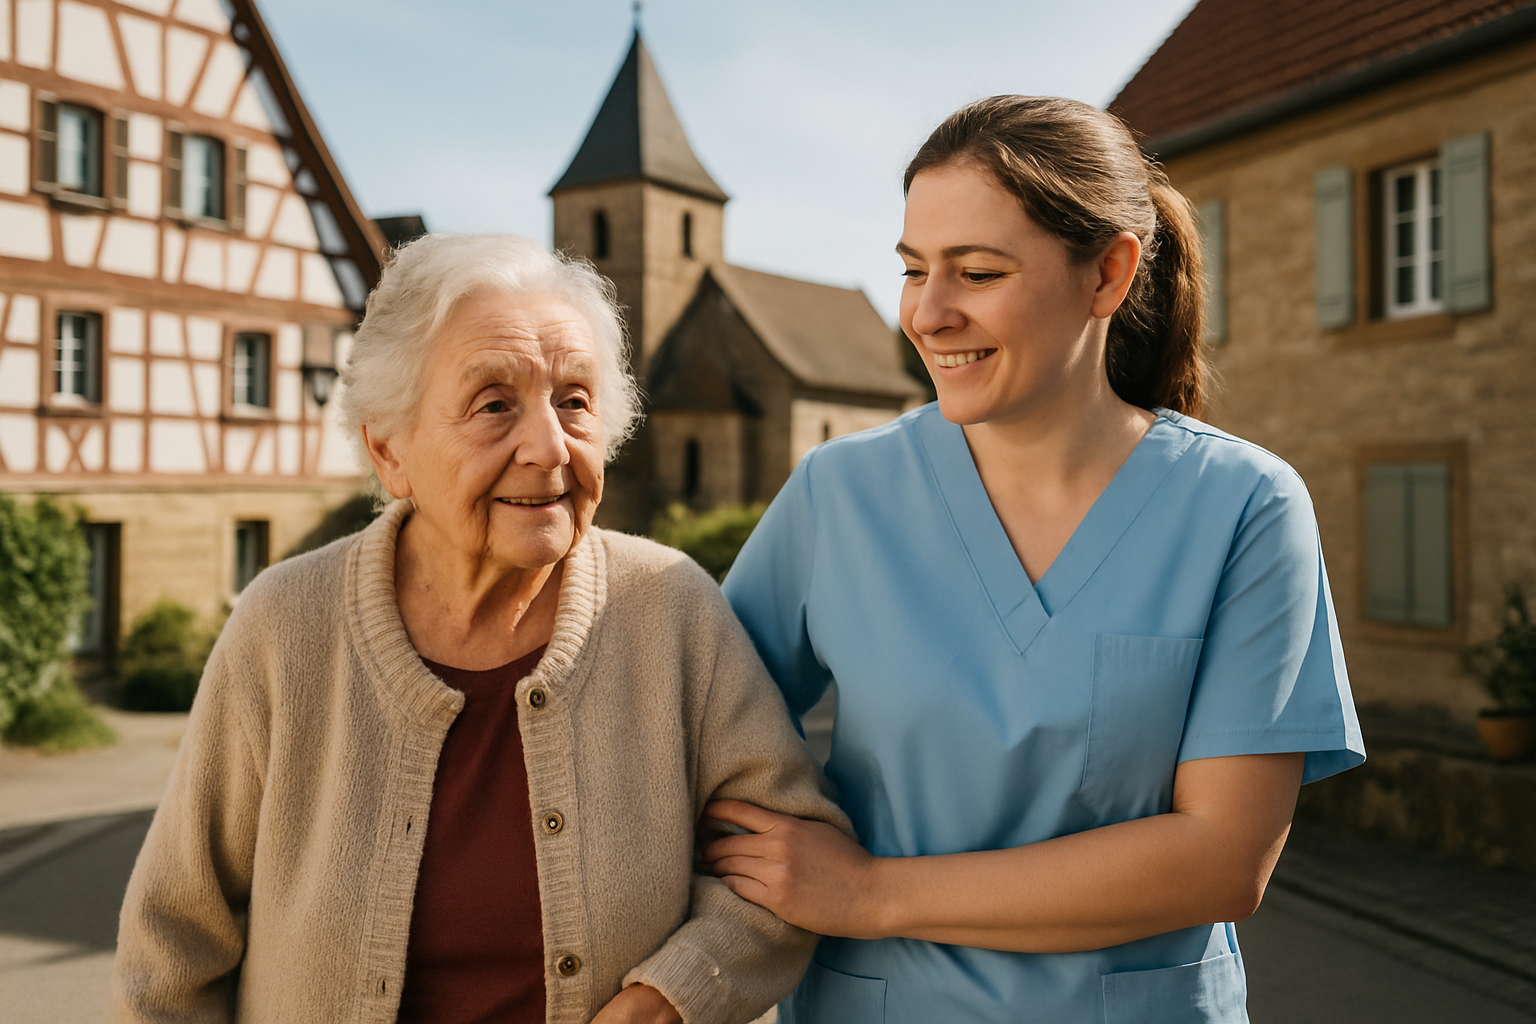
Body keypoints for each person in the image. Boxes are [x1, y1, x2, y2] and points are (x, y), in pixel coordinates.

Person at [706, 96, 1365, 1024]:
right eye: (912, 269)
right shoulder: (837, 495)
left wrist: (870, 894)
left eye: (977, 271)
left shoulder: (1243, 507)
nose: (928, 314)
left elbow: (1224, 861)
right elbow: (690, 740)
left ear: (1108, 274)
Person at [111, 233, 847, 1024]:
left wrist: (671, 996)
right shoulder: (283, 628)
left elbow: (787, 867)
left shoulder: (671, 610)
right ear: (390, 451)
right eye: (494, 405)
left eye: (574, 400)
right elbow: (170, 948)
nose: (547, 446)